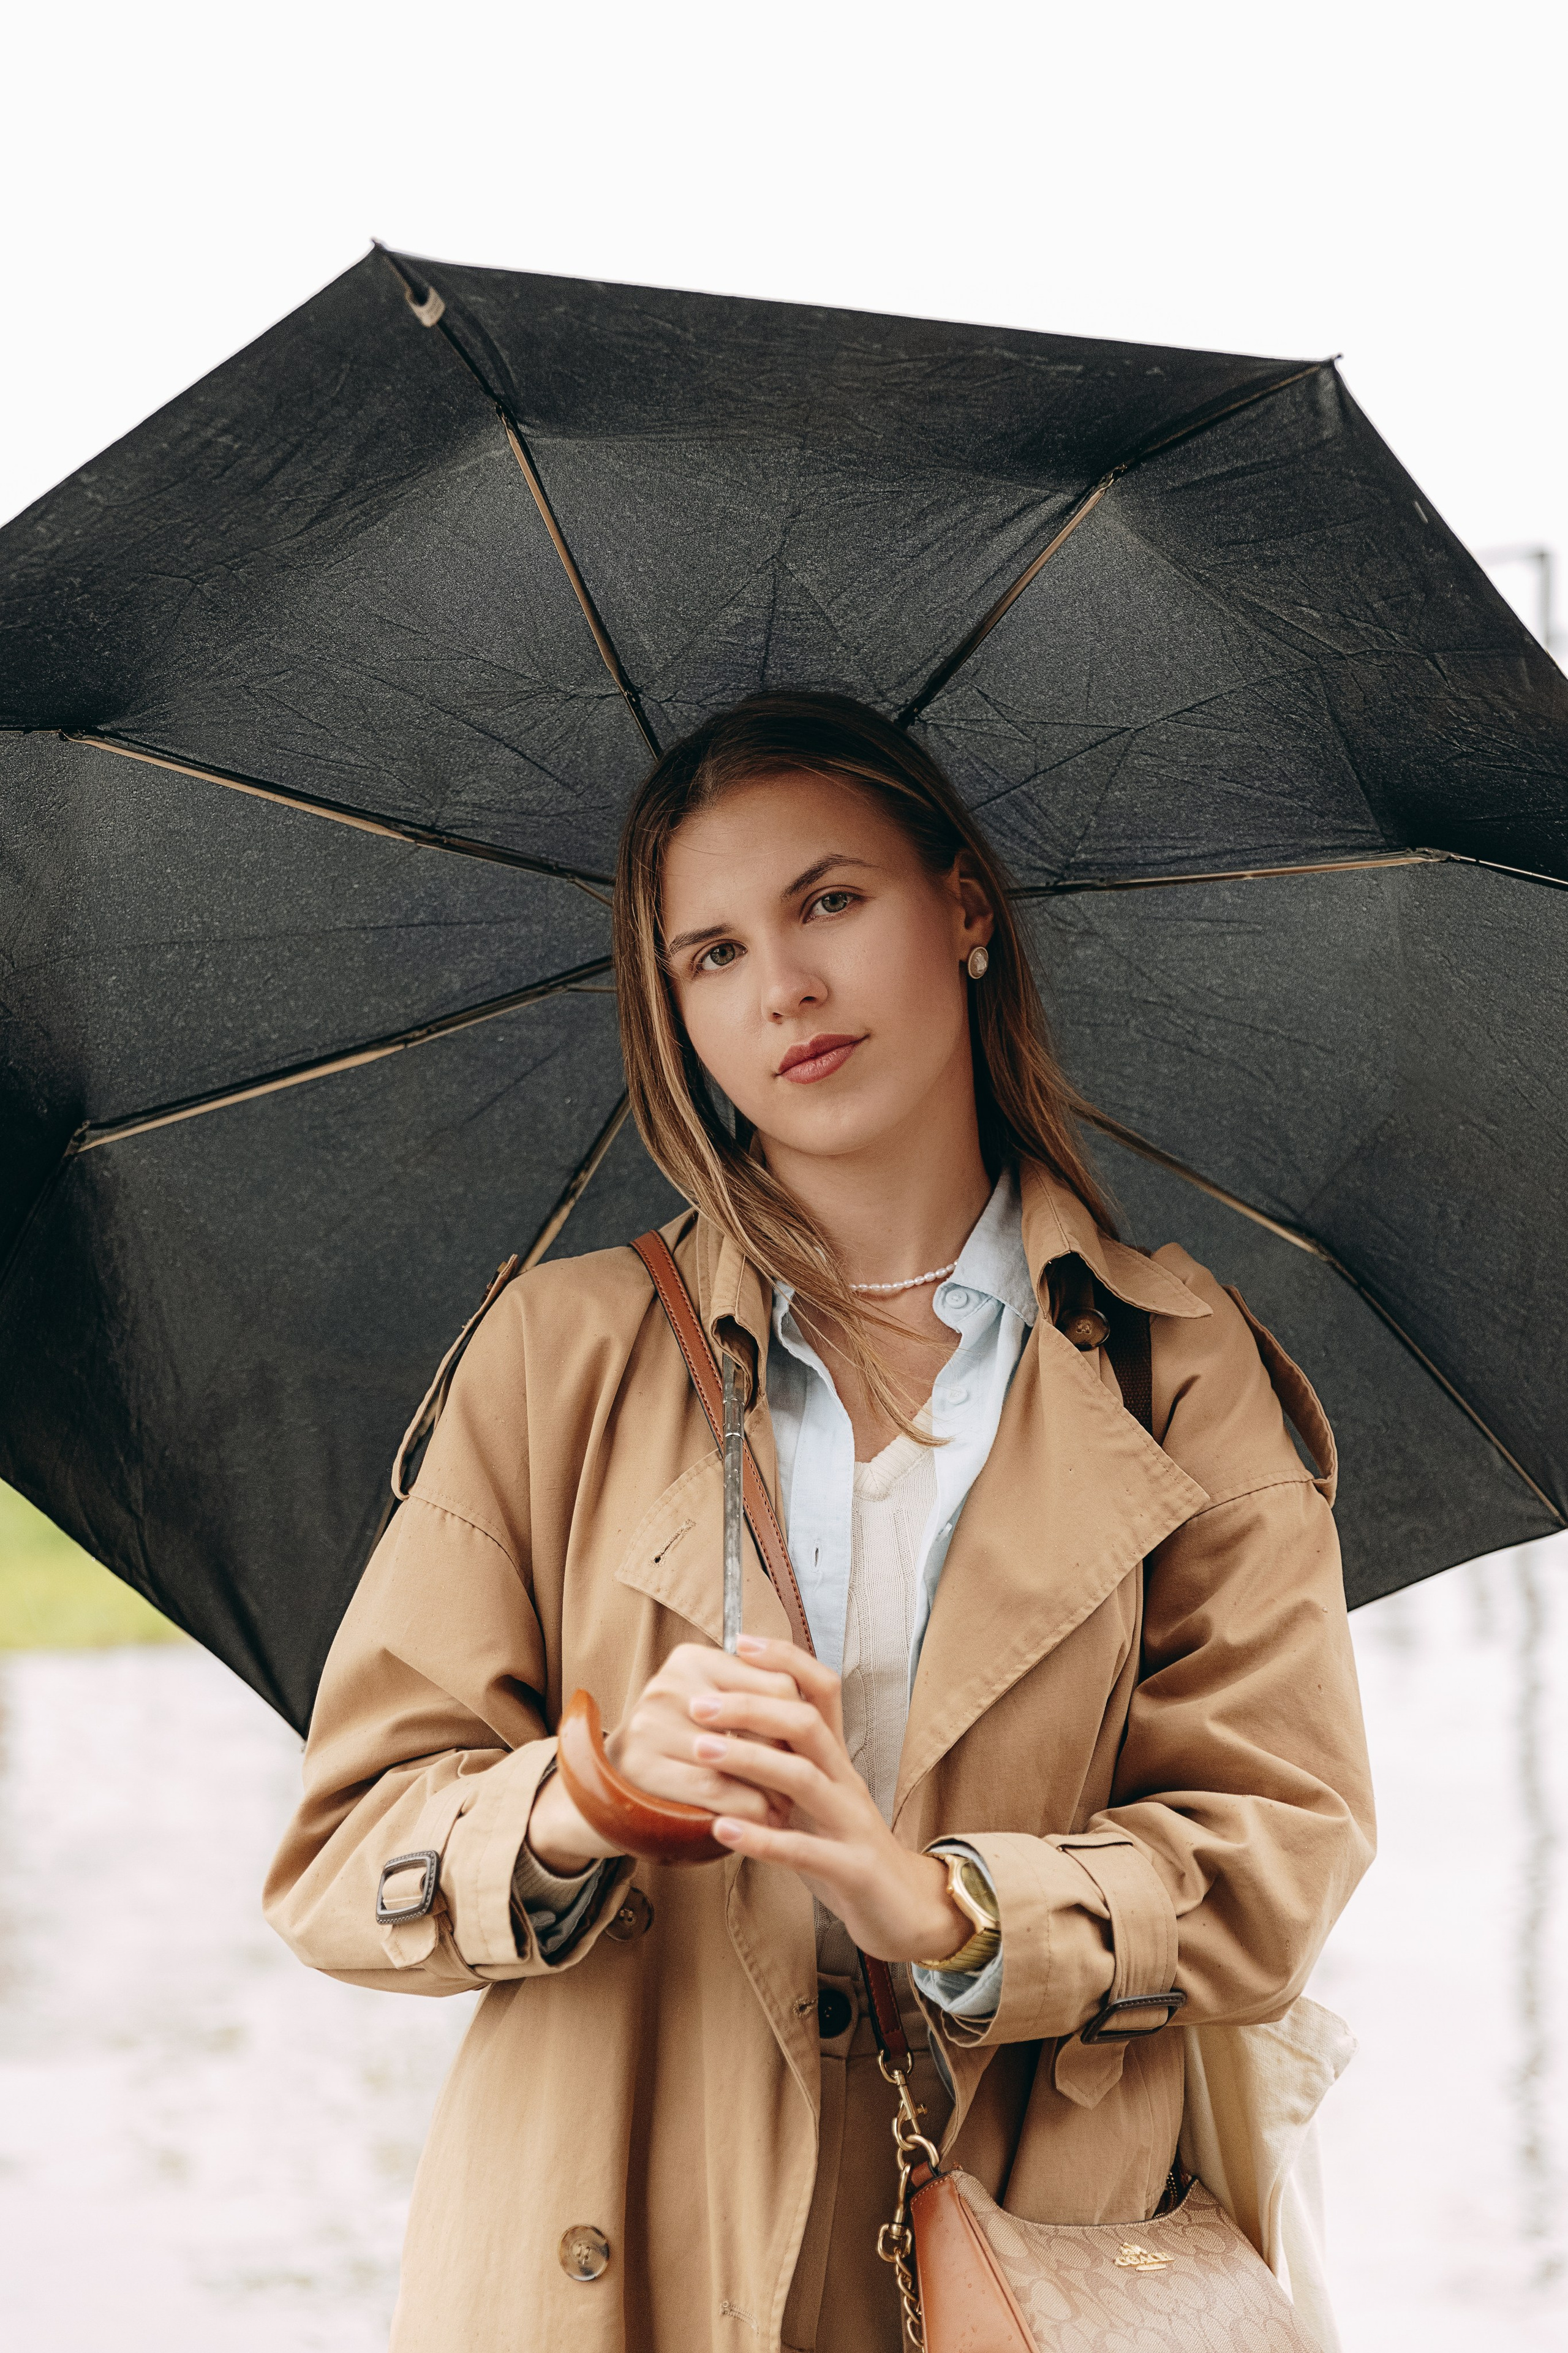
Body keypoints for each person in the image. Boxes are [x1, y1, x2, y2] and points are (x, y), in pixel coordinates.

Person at [266, 692, 1374, 2353]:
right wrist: (587, 1792)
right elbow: (349, 1852)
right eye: (708, 953)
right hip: (622, 2256)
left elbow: (1280, 1852)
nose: (779, 986)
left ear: (965, 909)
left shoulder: (1175, 1364)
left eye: (828, 901)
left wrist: (948, 1903)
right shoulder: (557, 1355)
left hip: (1031, 2267)